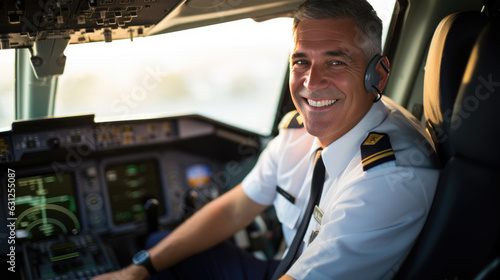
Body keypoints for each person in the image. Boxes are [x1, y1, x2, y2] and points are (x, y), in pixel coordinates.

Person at [93, 0, 440, 279]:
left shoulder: (389, 179)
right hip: (287, 269)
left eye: (335, 62)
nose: (311, 82)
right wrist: (137, 269)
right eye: (301, 61)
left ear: (375, 74)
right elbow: (234, 210)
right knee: (158, 250)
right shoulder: (299, 135)